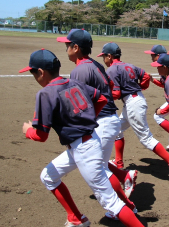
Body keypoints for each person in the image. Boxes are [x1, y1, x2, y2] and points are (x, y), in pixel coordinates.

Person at [19, 49, 143, 227]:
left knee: (112, 203)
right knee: (48, 176)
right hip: (85, 144)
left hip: (84, 150)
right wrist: (89, 117)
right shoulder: (73, 82)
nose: (34, 77)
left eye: (33, 73)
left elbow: (40, 136)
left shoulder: (45, 93)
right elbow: (100, 99)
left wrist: (28, 130)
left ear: (41, 72)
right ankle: (76, 218)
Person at [56, 29, 138, 220]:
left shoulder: (80, 70)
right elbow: (109, 86)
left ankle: (125, 206)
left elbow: (77, 105)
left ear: (76, 48)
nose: (65, 48)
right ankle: (125, 197)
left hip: (102, 121)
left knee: (99, 171)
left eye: (67, 45)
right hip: (108, 120)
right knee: (102, 168)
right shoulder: (94, 64)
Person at [97, 42, 169, 181]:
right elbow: (146, 77)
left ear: (110, 56)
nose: (103, 60)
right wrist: (139, 87)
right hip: (135, 101)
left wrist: (100, 97)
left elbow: (117, 93)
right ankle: (119, 162)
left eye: (104, 57)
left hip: (133, 104)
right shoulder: (129, 65)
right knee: (117, 130)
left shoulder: (112, 70)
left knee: (145, 138)